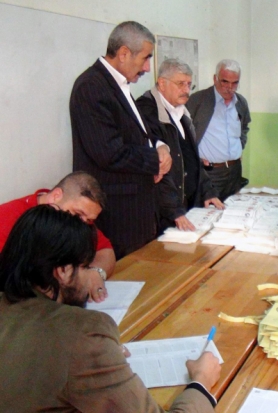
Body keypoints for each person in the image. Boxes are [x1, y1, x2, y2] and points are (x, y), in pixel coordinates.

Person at [0, 205, 221, 412]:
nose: (91, 277)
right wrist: (201, 381)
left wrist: (100, 354)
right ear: (63, 271)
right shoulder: (82, 334)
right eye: (86, 267)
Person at [70, 21, 172, 259]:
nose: (147, 68)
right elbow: (108, 152)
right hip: (118, 213)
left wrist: (161, 146)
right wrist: (155, 161)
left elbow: (139, 132)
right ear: (124, 53)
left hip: (137, 208)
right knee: (125, 275)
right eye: (145, 58)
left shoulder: (118, 84)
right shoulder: (91, 87)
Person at [137, 59, 224, 233]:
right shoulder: (147, 112)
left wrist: (207, 191)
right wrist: (174, 210)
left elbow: (190, 158)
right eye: (180, 84)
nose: (186, 90)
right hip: (162, 214)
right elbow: (158, 168)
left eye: (189, 84)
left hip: (186, 207)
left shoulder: (182, 112)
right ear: (162, 83)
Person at [0, 171, 114, 303]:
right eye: (78, 214)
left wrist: (96, 272)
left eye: (89, 220)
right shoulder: (7, 218)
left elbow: (105, 251)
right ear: (56, 196)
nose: (83, 224)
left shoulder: (80, 221)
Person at [186, 59, 251, 201]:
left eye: (235, 83)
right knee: (208, 211)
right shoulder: (197, 101)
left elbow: (244, 127)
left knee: (234, 211)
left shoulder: (241, 102)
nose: (230, 87)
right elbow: (183, 134)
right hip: (209, 173)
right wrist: (194, 158)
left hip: (234, 171)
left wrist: (239, 146)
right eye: (225, 82)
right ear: (215, 79)